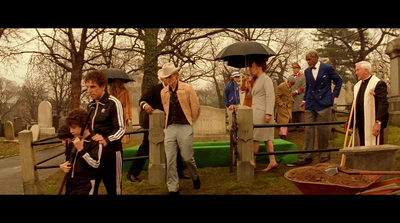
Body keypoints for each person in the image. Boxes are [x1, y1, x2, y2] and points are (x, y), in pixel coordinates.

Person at [126, 77, 190, 183]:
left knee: (175, 146)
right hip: (153, 124)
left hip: (169, 123)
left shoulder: (176, 90)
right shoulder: (154, 88)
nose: (170, 80)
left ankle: (179, 171)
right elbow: (141, 100)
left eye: (171, 77)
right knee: (145, 148)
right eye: (167, 77)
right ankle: (132, 173)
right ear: (162, 78)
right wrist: (145, 106)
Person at [158, 62, 201, 195]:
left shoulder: (187, 88)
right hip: (170, 127)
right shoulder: (163, 92)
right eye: (165, 78)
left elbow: (195, 107)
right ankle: (173, 187)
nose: (168, 80)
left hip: (185, 126)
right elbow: (166, 109)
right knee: (170, 159)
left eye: (170, 77)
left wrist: (190, 123)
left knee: (187, 157)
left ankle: (195, 176)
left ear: (176, 75)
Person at [297, 49, 343, 165]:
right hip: (311, 103)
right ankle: (308, 155)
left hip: (323, 103)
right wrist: (304, 100)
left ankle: (324, 154)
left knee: (323, 130)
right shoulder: (307, 72)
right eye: (306, 59)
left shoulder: (327, 68)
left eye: (309, 59)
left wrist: (333, 96)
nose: (307, 62)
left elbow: (339, 81)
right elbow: (308, 87)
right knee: (309, 130)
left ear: (316, 57)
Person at [85, 70, 125, 195]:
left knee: (114, 190)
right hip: (95, 154)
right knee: (90, 189)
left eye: (93, 87)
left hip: (112, 154)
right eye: (87, 87)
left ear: (103, 86)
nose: (89, 91)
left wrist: (106, 140)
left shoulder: (114, 103)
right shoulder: (90, 106)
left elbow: (121, 129)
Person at [59, 108, 103, 195]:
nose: (71, 131)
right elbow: (69, 159)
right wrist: (63, 165)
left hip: (86, 184)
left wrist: (81, 150)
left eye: (74, 128)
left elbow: (95, 164)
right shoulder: (74, 141)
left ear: (85, 126)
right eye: (70, 128)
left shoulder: (95, 142)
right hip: (71, 183)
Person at [349, 61, 389, 146]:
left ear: (366, 71)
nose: (356, 73)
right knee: (362, 144)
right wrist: (351, 123)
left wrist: (378, 123)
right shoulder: (357, 85)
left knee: (374, 146)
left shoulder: (378, 84)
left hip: (373, 122)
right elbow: (355, 105)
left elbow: (383, 104)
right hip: (361, 122)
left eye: (357, 70)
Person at [249, 58, 278, 172]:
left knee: (256, 138)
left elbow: (270, 96)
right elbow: (254, 96)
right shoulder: (258, 80)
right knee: (265, 138)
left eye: (253, 66)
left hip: (263, 112)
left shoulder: (266, 79)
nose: (251, 69)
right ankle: (272, 161)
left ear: (259, 67)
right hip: (257, 111)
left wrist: (269, 113)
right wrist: (250, 85)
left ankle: (253, 162)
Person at [109, 78, 132, 144]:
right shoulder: (111, 91)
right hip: (114, 110)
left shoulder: (125, 91)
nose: (117, 84)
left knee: (123, 125)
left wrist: (128, 115)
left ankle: (123, 140)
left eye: (119, 82)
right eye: (116, 82)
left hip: (123, 110)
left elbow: (128, 103)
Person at [275, 76, 296, 140]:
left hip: (288, 106)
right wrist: (281, 104)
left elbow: (290, 96)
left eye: (293, 84)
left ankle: (281, 133)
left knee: (288, 119)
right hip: (282, 106)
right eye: (291, 83)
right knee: (284, 119)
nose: (292, 85)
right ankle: (283, 135)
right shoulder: (282, 86)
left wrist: (292, 101)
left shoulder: (290, 87)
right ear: (288, 81)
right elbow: (276, 96)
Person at [289, 62, 306, 132]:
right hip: (292, 97)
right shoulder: (290, 77)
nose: (294, 69)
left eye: (296, 68)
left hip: (299, 95)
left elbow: (304, 86)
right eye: (293, 68)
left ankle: (301, 126)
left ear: (299, 68)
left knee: (300, 111)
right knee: (293, 112)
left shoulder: (303, 76)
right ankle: (293, 126)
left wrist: (296, 91)